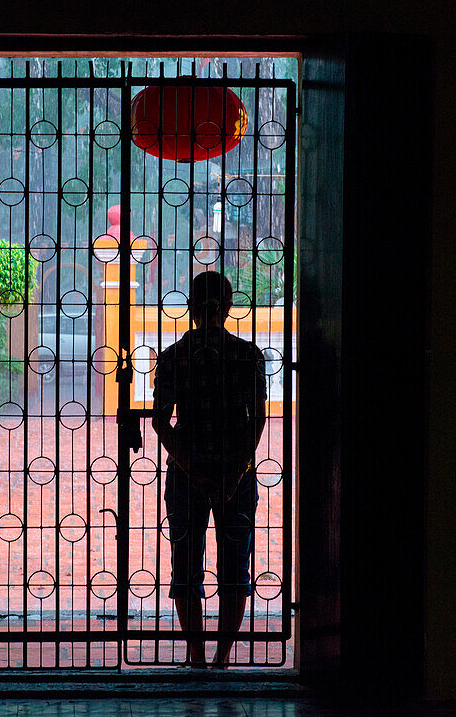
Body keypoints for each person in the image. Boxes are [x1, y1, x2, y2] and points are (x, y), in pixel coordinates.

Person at [151, 271, 267, 668]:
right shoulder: (247, 354)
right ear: (230, 306)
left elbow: (160, 422)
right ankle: (222, 657)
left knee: (185, 564)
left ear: (190, 308)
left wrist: (189, 468)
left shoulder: (172, 358)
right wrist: (236, 470)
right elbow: (258, 418)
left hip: (186, 471)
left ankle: (196, 654)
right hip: (236, 470)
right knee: (235, 564)